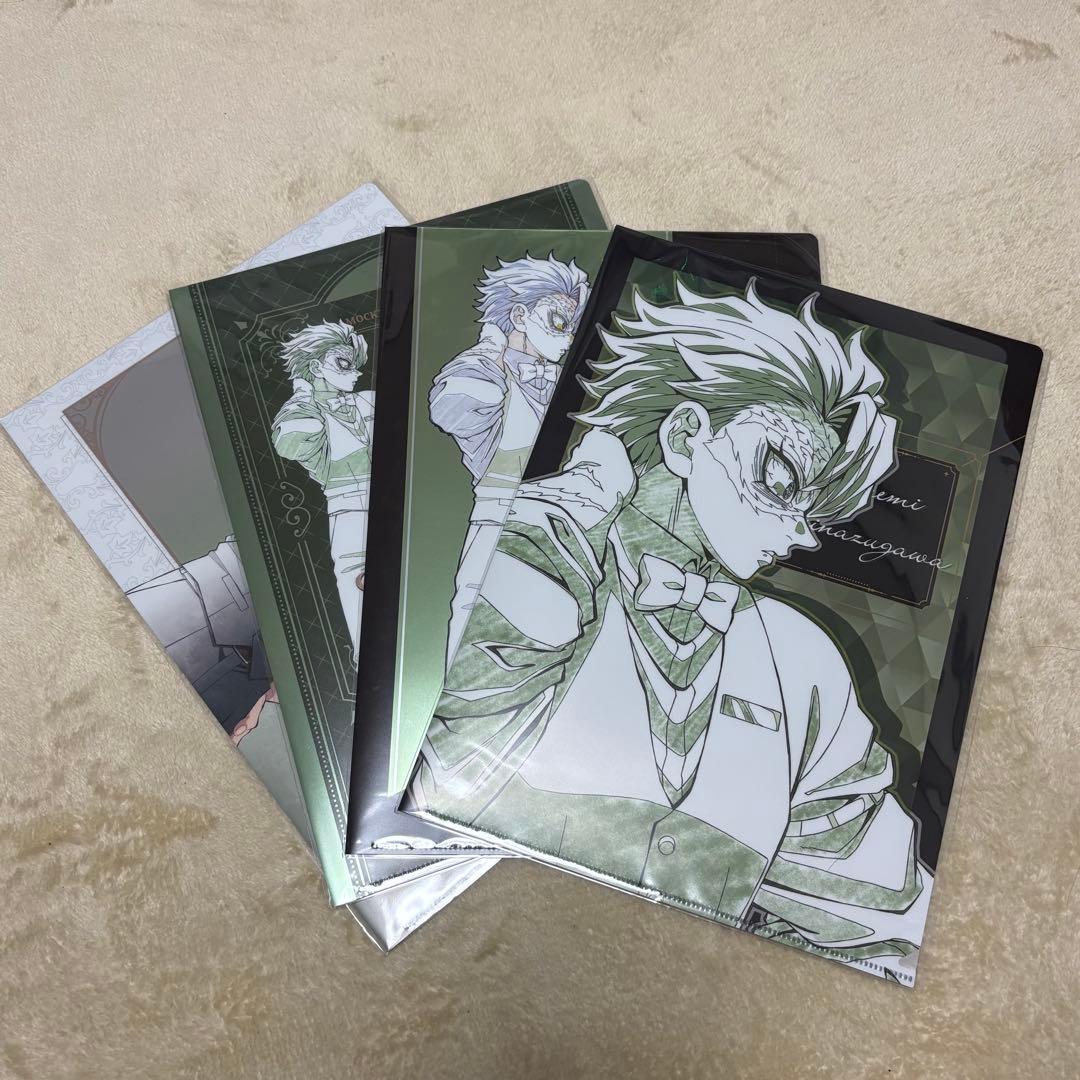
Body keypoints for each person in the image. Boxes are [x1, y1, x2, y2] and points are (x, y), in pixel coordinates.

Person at [414, 281, 932, 978]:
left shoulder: (801, 659)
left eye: (815, 513)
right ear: (686, 436)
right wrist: (556, 532)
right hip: (480, 952)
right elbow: (447, 767)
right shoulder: (548, 555)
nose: (800, 533)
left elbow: (879, 920)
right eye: (781, 478)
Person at [429, 253, 590, 662]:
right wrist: (491, 347)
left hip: (567, 525)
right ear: (520, 315)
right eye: (559, 321)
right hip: (499, 521)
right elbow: (449, 408)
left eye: (574, 325)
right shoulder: (487, 376)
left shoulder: (566, 381)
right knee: (474, 648)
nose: (569, 336)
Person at [271, 321, 371, 659]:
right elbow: (289, 442)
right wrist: (303, 394)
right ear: (315, 367)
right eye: (344, 363)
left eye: (356, 364)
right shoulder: (303, 416)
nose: (356, 372)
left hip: (402, 503)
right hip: (350, 512)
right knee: (363, 603)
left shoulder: (369, 401)